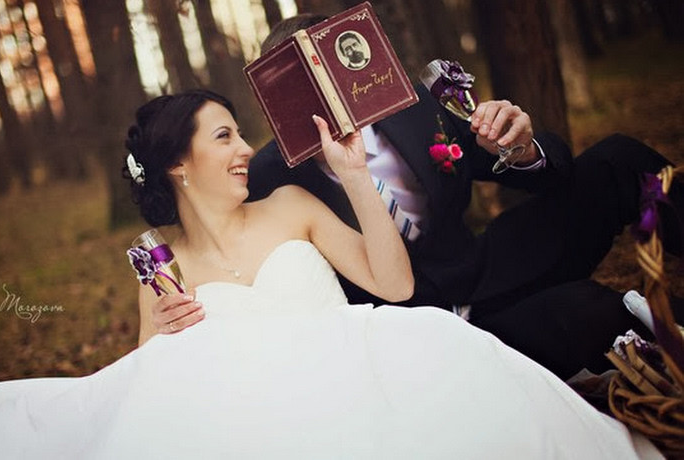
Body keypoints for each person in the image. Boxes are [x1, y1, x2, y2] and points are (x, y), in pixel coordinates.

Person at [0, 90, 662, 458]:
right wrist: (162, 336)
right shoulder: (159, 266)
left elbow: (396, 288)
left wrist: (354, 176)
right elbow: (148, 382)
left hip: (367, 371)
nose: (246, 148)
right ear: (177, 164)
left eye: (241, 133)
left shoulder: (290, 204)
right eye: (225, 136)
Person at [239, 13, 683, 380]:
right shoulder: (267, 178)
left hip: (489, 267)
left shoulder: (410, 105)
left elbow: (541, 172)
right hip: (431, 336)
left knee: (619, 160)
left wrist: (521, 148)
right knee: (594, 311)